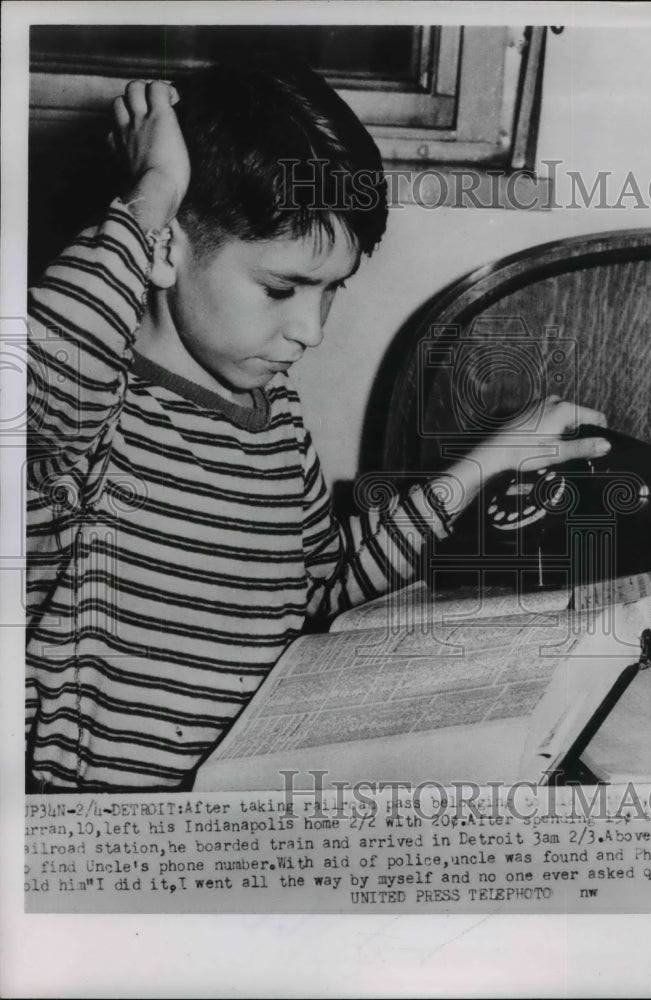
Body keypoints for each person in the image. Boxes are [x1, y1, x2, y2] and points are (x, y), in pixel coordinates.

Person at [25, 59, 609, 792]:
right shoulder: (90, 411)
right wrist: (151, 195)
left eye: (331, 290)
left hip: (236, 821)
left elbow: (319, 587)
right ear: (166, 246)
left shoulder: (277, 421)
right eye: (281, 288)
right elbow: (41, 372)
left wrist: (479, 469)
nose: (311, 329)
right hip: (96, 832)